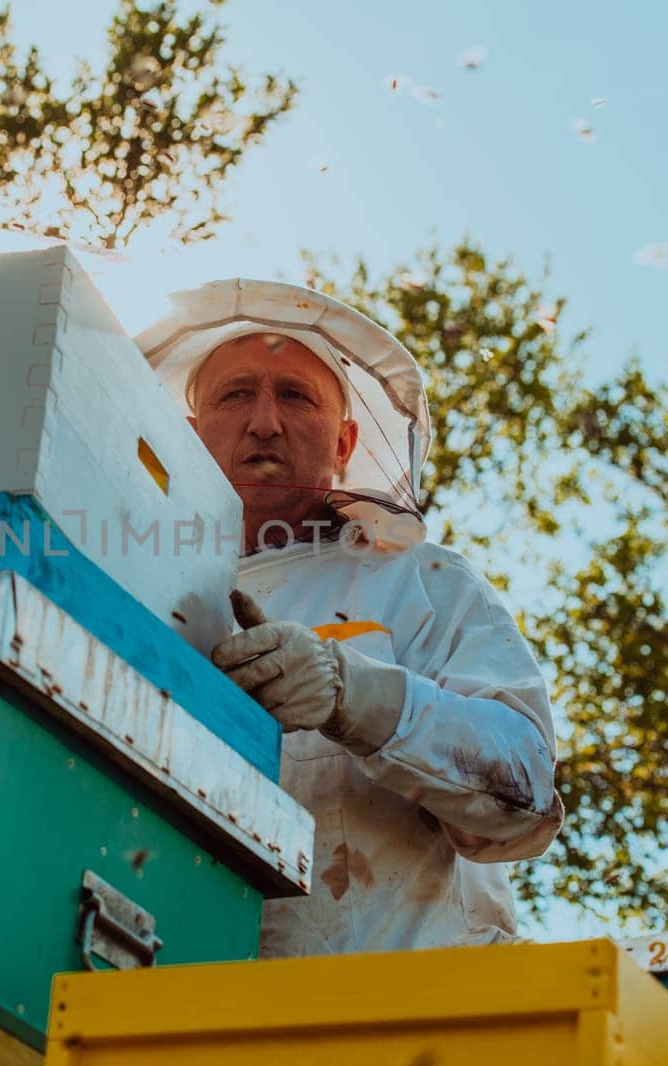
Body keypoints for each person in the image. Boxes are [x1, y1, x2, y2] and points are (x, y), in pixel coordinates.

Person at [136, 279, 564, 957]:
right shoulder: (136, 585)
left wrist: (354, 693)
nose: (265, 422)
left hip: (398, 1019)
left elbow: (526, 794)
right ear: (188, 437)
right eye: (236, 393)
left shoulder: (420, 581)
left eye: (296, 396)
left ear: (344, 442)